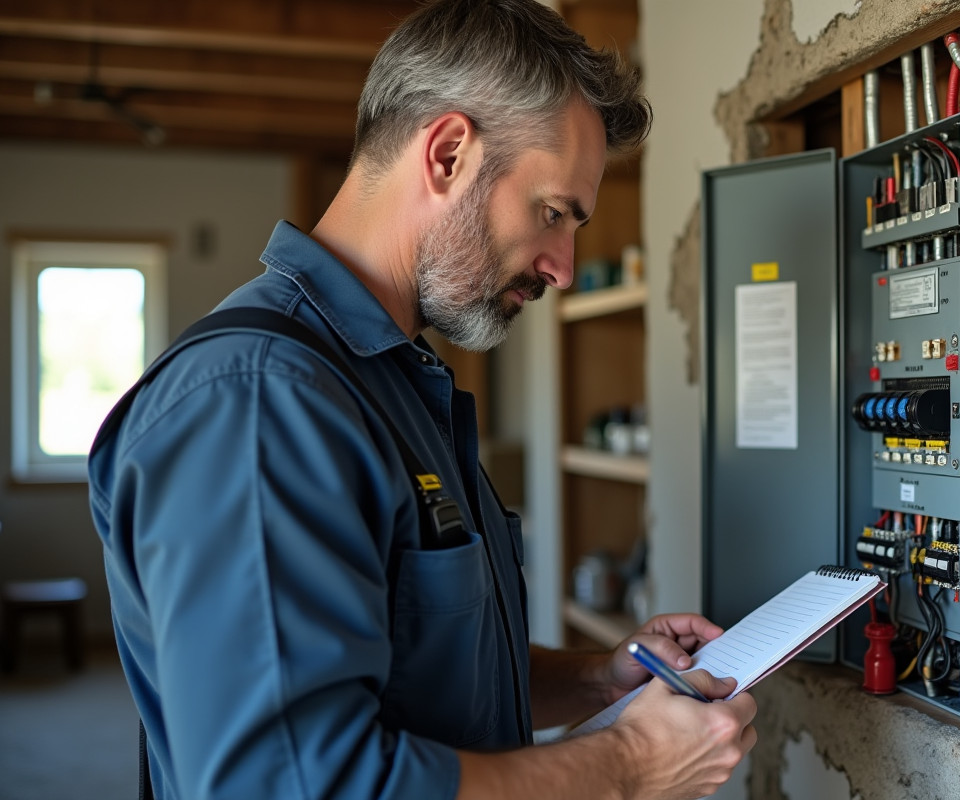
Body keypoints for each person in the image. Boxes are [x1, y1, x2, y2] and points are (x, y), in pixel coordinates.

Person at [88, 1, 757, 798]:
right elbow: (293, 785)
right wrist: (632, 765)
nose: (564, 268)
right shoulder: (260, 401)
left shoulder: (396, 381)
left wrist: (599, 680)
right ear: (446, 155)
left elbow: (421, 671)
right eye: (553, 214)